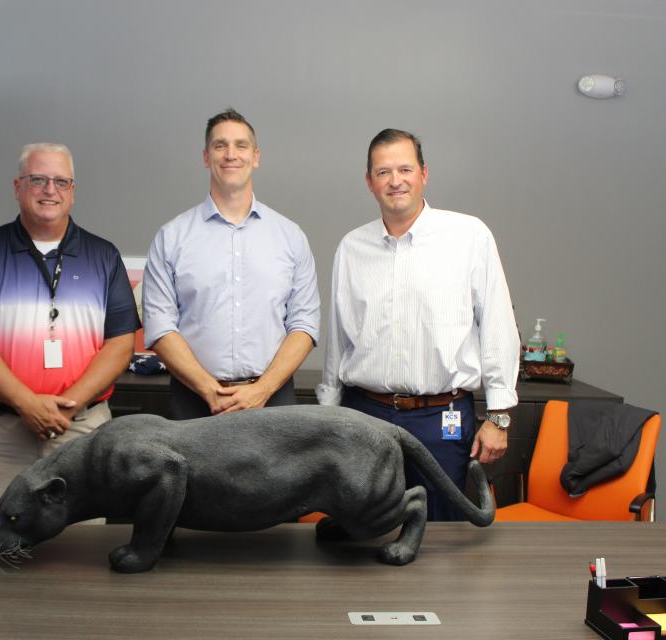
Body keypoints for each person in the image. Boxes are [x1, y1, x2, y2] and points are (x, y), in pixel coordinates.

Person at [316, 129, 520, 521]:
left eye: (405, 168)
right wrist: (329, 415)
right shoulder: (351, 248)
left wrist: (498, 418)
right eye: (383, 172)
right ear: (369, 181)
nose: (395, 180)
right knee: (364, 531)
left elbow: (497, 326)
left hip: (440, 419)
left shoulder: (469, 237)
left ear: (424, 173)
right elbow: (338, 340)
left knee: (438, 536)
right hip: (365, 416)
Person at [0, 142, 140, 524]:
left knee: (79, 553)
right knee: (0, 547)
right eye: (38, 180)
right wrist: (27, 403)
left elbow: (121, 344)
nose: (49, 190)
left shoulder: (103, 256)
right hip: (4, 434)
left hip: (81, 430)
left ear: (72, 191)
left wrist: (66, 405)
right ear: (18, 186)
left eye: (61, 181)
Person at [143, 109, 320, 419]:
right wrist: (208, 389)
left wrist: (262, 389)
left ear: (256, 156)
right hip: (193, 402)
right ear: (206, 156)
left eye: (241, 145)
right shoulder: (171, 237)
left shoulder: (290, 236)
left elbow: (304, 325)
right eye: (220, 145)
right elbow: (160, 326)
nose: (230, 155)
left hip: (273, 400)